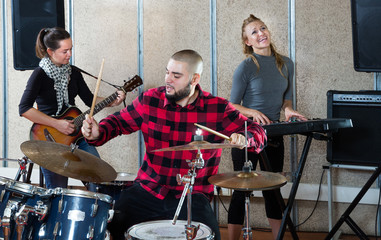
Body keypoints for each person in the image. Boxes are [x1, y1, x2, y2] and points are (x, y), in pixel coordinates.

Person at [81, 49, 267, 240]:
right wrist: (98, 132)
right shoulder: (150, 100)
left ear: (194, 79)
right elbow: (117, 123)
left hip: (193, 196)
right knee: (111, 225)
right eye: (167, 72)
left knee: (211, 236)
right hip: (148, 189)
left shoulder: (217, 108)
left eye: (176, 75)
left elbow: (258, 132)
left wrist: (245, 138)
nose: (168, 79)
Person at [228, 14, 307, 240]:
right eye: (254, 32)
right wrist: (252, 112)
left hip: (272, 134)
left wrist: (289, 110)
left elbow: (287, 100)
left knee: (273, 190)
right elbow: (232, 105)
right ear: (248, 42)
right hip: (245, 135)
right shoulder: (245, 67)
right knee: (241, 191)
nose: (261, 33)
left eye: (262, 28)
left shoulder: (287, 63)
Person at [18, 27, 125, 189]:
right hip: (50, 139)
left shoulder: (73, 72)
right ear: (50, 51)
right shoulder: (39, 74)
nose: (70, 54)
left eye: (71, 49)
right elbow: (24, 108)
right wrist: (57, 123)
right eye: (65, 51)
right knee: (58, 190)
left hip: (77, 135)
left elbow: (90, 100)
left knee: (98, 179)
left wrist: (113, 100)